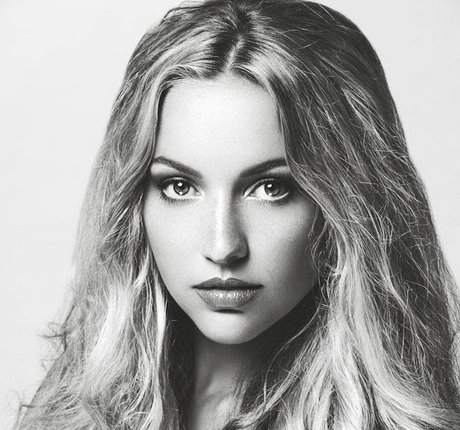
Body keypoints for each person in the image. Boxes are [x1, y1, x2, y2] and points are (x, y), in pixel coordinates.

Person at [16, 0, 460, 429]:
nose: (223, 247)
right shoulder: (75, 413)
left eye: (271, 188)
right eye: (180, 187)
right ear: (134, 204)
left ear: (348, 206)